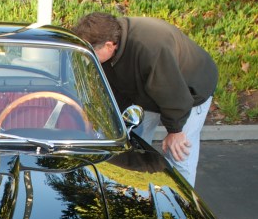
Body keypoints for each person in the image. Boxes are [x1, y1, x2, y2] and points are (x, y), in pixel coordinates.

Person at [73, 12, 218, 185]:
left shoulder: (150, 49)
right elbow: (115, 88)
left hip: (189, 91)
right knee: (133, 143)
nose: (87, 58)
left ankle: (182, 198)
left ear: (109, 45)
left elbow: (174, 93)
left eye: (91, 53)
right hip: (149, 91)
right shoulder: (111, 44)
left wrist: (175, 130)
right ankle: (139, 188)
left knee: (178, 154)